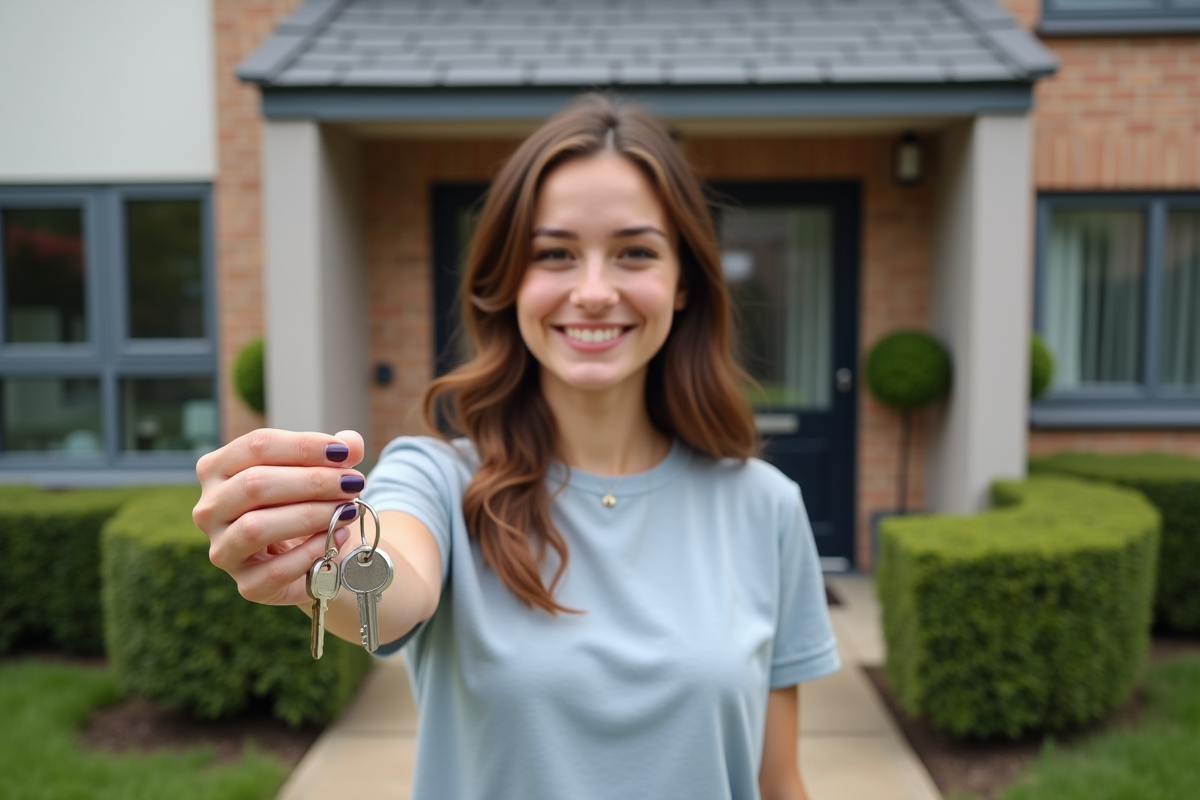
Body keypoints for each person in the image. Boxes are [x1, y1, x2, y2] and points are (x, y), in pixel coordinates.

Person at [194, 94, 839, 800]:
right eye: (555, 253)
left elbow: (779, 782)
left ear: (683, 281)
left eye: (634, 252)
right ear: (507, 281)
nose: (593, 292)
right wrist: (330, 554)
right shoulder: (434, 477)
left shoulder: (767, 508)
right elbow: (389, 586)